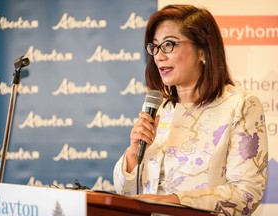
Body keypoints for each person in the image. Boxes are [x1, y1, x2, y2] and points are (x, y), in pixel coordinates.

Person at [113, 4, 268, 215]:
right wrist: (133, 154)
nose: (158, 56)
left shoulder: (240, 105)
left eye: (169, 45)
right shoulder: (159, 108)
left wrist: (172, 201)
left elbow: (246, 194)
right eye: (155, 47)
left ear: (202, 50)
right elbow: (128, 192)